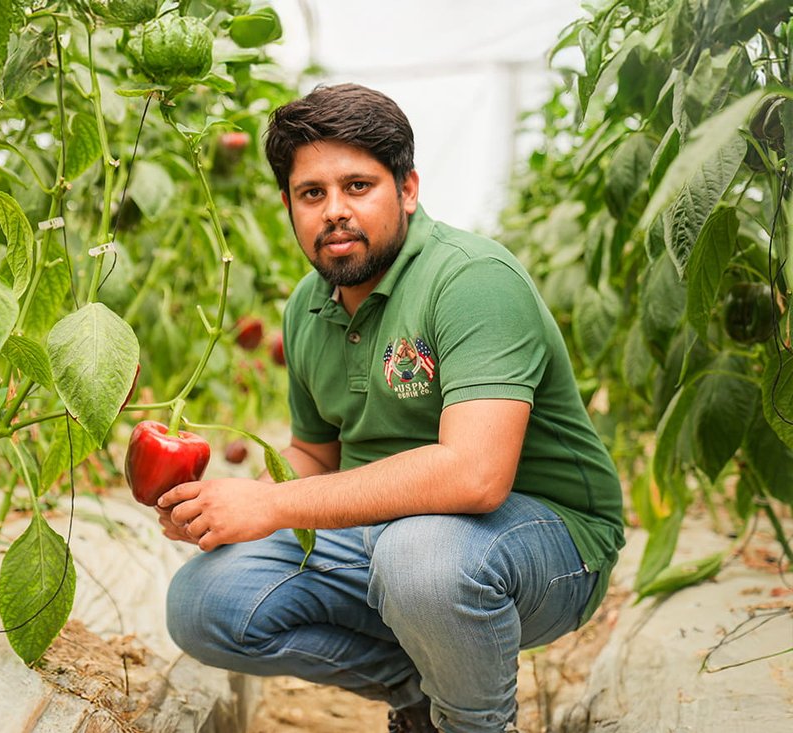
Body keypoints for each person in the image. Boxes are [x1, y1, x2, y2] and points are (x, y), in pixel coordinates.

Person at [155, 84, 625, 733]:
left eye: (358, 186)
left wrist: (274, 506)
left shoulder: (471, 279)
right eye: (311, 193)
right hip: (390, 542)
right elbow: (315, 456)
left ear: (407, 189)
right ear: (290, 205)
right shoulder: (308, 306)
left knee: (420, 556)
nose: (334, 211)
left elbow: (475, 476)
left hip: (548, 547)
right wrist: (228, 506)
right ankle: (430, 691)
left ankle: (475, 721)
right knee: (205, 601)